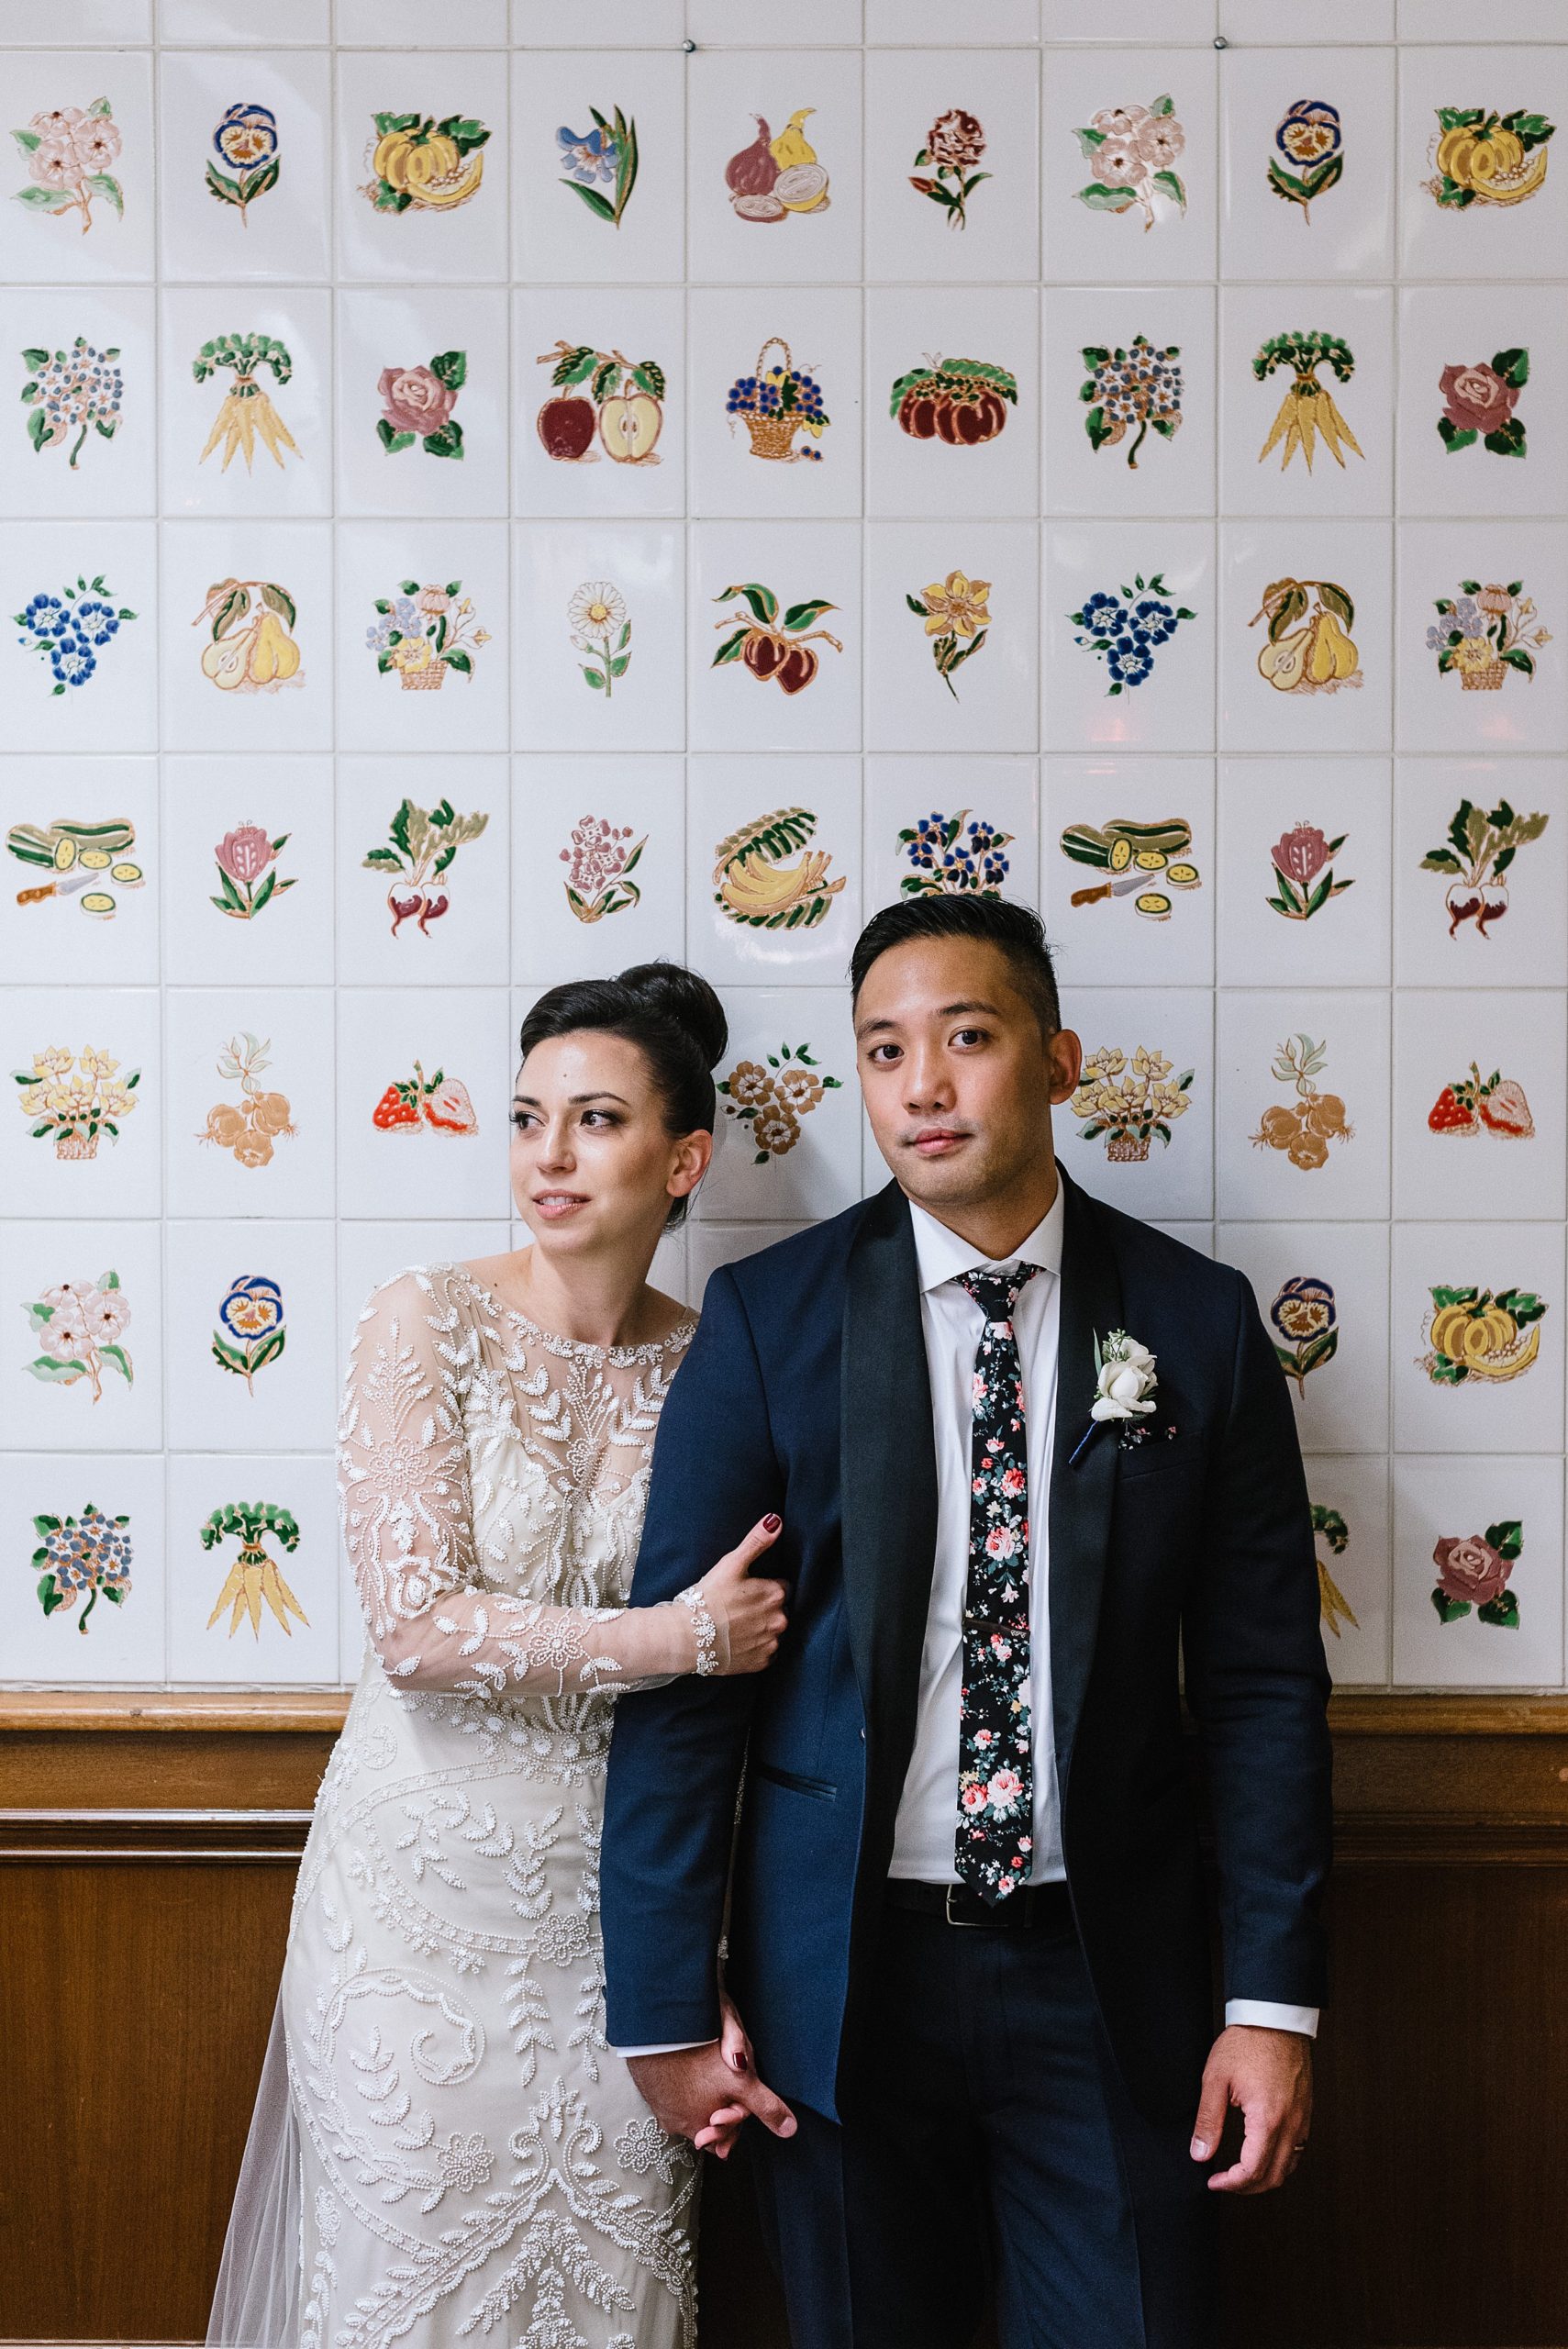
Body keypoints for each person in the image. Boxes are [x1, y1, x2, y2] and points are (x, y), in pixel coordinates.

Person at [601, 896, 1333, 2349]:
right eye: (882, 1050)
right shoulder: (768, 1320)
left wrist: (1272, 2005)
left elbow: (1259, 1687)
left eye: (967, 1037)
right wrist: (666, 2006)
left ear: (1057, 1061)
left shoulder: (1193, 1324)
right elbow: (686, 1679)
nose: (921, 1085)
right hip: (840, 1977)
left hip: (1108, 1980)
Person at [206, 963, 789, 2349]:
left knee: (608, 2277)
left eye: (595, 1120)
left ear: (683, 1157)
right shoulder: (424, 1318)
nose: (549, 1153)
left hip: (613, 1927)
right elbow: (415, 1626)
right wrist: (683, 1638)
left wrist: (704, 1945)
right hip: (412, 1911)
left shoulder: (717, 1367)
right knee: (404, 2282)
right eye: (530, 1117)